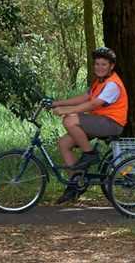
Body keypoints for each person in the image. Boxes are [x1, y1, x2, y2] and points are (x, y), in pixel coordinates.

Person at [49, 47, 128, 204]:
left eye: (103, 64)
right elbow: (84, 98)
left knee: (69, 120)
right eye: (97, 64)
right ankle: (75, 184)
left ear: (111, 66)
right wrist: (57, 103)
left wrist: (66, 111)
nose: (99, 67)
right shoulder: (100, 82)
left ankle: (90, 154)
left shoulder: (112, 84)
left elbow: (92, 104)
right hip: (99, 122)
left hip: (111, 123)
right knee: (64, 143)